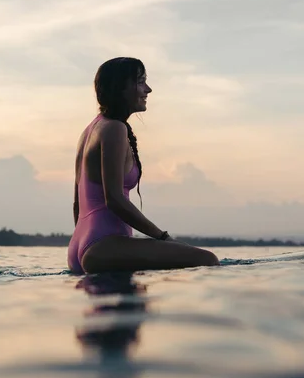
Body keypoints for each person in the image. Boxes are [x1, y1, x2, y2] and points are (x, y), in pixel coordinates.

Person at [67, 57, 220, 274]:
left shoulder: (89, 131)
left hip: (80, 246)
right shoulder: (114, 129)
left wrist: (85, 246)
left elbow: (77, 205)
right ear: (120, 87)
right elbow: (115, 200)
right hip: (102, 245)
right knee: (208, 259)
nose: (147, 89)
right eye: (140, 82)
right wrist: (163, 238)